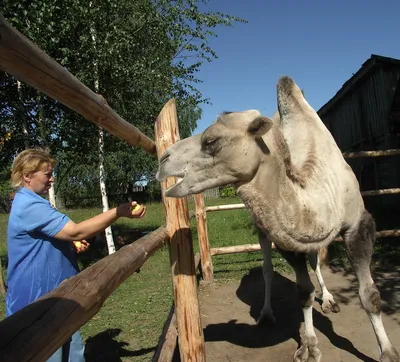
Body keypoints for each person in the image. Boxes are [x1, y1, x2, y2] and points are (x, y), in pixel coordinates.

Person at [6, 148, 146, 362]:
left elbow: (57, 236)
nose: (52, 179)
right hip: (37, 302)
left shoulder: (32, 202)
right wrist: (118, 212)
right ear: (27, 176)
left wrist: (70, 245)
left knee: (72, 353)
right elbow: (75, 230)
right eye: (47, 174)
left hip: (58, 295)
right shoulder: (29, 205)